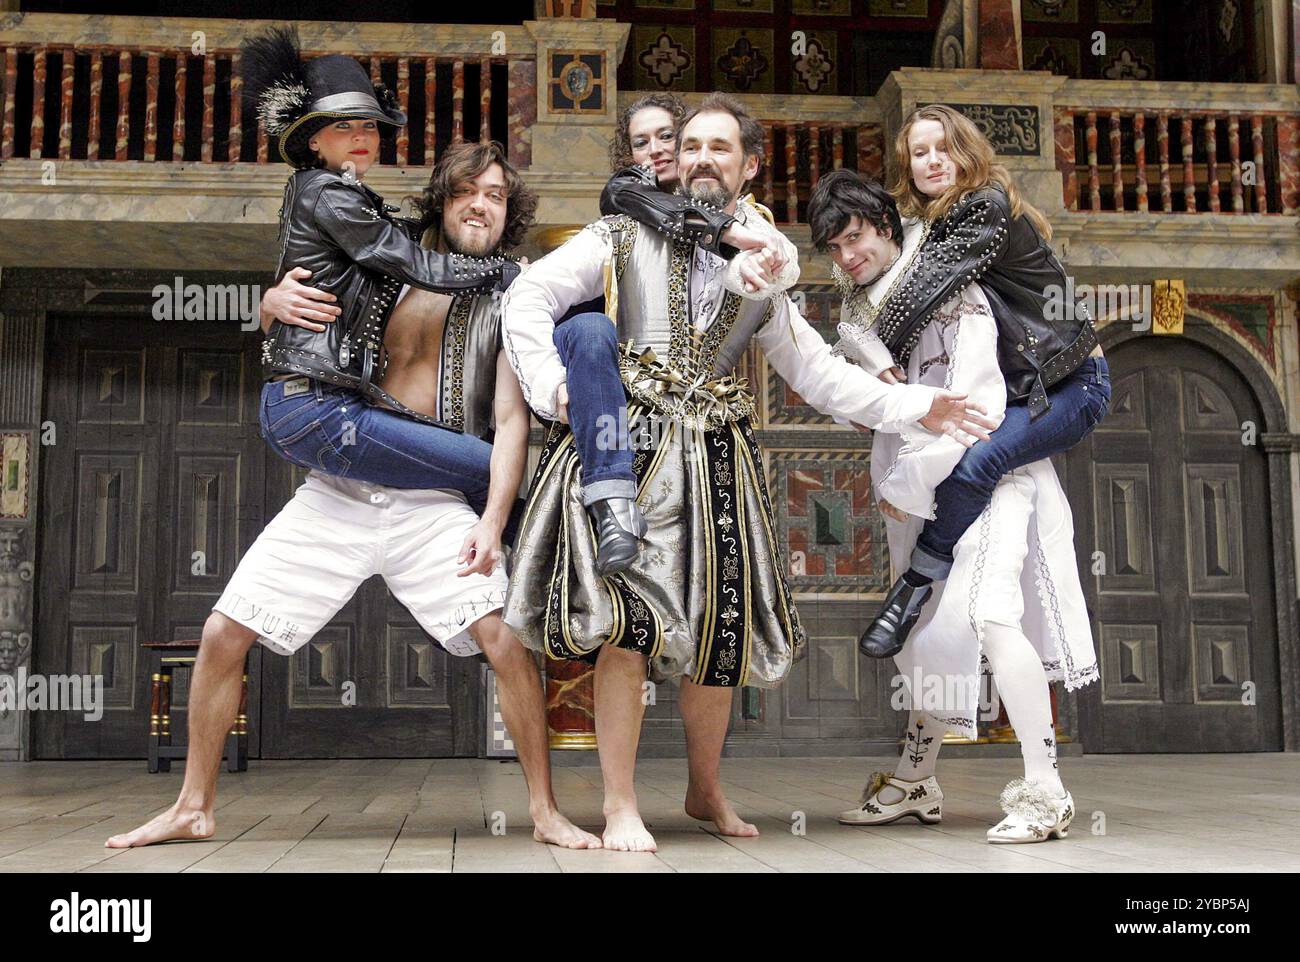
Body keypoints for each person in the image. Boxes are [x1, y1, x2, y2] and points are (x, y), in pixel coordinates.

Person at [500, 93, 997, 853]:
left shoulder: (765, 270)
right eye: (689, 144)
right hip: (626, 454)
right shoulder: (624, 232)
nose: (699, 157)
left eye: (719, 148)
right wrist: (553, 386)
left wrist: (920, 406)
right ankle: (621, 803)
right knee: (626, 632)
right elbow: (530, 294)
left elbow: (824, 376)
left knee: (717, 637)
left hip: (718, 461)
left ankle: (705, 790)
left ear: (749, 165)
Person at [105, 141, 600, 852]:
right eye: (467, 190)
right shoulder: (377, 259)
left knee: (505, 642)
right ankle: (193, 806)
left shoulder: (510, 298)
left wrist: (493, 523)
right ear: (444, 197)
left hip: (432, 502)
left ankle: (546, 811)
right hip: (338, 490)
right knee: (223, 633)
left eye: (495, 194)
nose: (481, 204)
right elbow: (292, 328)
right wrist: (268, 304)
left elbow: (514, 421)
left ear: (508, 211)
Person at [813, 170, 1100, 843]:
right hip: (917, 490)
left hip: (989, 479)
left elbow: (975, 403)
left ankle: (1045, 788)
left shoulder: (945, 285)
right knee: (928, 635)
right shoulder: (859, 311)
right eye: (834, 249)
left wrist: (906, 480)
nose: (847, 257)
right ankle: (916, 780)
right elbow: (878, 413)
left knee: (991, 616)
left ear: (883, 225)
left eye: (854, 238)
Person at [857, 104, 1109, 658]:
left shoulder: (983, 207)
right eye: (919, 154)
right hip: (1023, 391)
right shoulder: (933, 226)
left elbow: (915, 297)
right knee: (959, 463)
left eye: (942, 148)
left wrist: (866, 354)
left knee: (978, 460)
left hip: (1074, 385)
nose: (932, 161)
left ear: (965, 152)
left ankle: (910, 591)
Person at [240, 25, 518, 517]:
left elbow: (406, 236)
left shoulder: (352, 200)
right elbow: (407, 259)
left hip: (329, 407)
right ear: (314, 142)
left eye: (368, 126)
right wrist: (503, 273)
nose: (362, 137)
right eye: (343, 127)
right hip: (318, 408)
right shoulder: (325, 191)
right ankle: (537, 574)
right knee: (489, 468)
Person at [546, 92, 793, 575]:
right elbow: (537, 297)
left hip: (710, 441)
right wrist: (549, 382)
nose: (658, 151)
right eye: (643, 143)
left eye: (667, 138)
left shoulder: (750, 231)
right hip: (617, 414)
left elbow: (805, 354)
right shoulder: (622, 212)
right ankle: (612, 505)